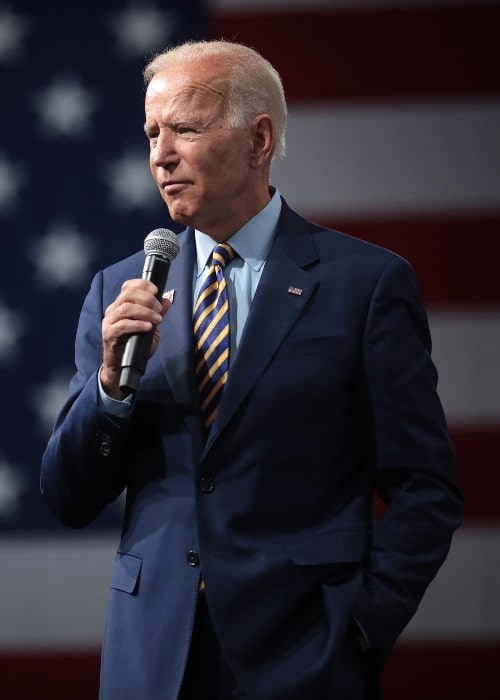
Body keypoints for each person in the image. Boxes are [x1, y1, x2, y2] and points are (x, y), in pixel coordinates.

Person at [41, 40, 464, 700]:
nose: (160, 155)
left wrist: (358, 628)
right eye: (152, 133)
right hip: (152, 659)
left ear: (258, 139)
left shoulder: (366, 282)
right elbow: (69, 497)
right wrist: (111, 389)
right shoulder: (118, 289)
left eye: (184, 127)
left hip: (304, 656)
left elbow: (426, 486)